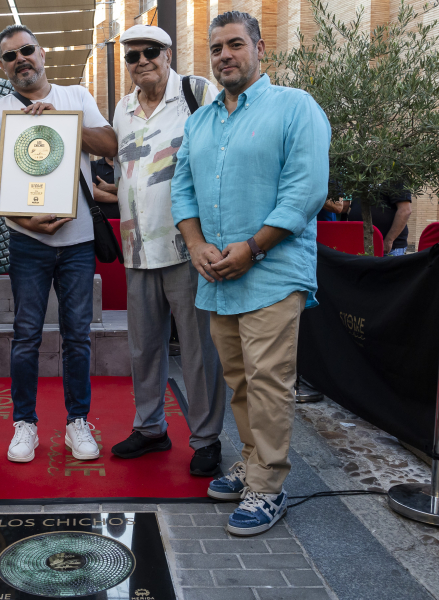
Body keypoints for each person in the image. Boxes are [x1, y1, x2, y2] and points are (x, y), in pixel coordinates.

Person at [170, 11, 330, 536]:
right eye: (216, 49)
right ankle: (252, 462)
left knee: (268, 383)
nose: (225, 56)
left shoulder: (295, 107)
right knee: (238, 379)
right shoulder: (199, 121)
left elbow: (305, 191)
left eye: (235, 45)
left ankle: (268, 487)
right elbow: (182, 190)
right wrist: (195, 245)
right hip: (217, 276)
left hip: (271, 272)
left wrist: (252, 250)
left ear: (260, 49)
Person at [0, 25, 118, 463]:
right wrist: (26, 220)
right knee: (25, 337)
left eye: (26, 50)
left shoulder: (75, 96)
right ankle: (26, 424)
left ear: (41, 54)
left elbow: (111, 146)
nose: (20, 59)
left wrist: (61, 120)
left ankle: (77, 421)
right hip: (27, 242)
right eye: (9, 56)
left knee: (78, 337)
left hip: (77, 242)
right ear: (3, 67)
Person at [109, 24, 227, 477]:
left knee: (198, 351)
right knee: (143, 349)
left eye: (150, 52)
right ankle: (151, 427)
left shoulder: (197, 91)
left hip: (187, 246)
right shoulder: (122, 108)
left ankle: (206, 439)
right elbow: (129, 171)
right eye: (132, 55)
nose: (141, 61)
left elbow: (220, 157)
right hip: (137, 248)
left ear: (168, 52)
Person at [345, 187, 412, 255]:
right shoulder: (359, 181)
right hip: (360, 244)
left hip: (388, 247)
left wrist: (389, 240)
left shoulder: (395, 179)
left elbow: (405, 211)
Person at [90, 155, 119, 219]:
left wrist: (108, 187)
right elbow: (93, 192)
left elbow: (137, 188)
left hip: (129, 219)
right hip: (102, 220)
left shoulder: (130, 166)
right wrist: (122, 199)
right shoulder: (93, 165)